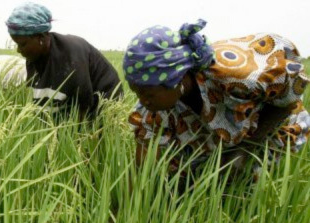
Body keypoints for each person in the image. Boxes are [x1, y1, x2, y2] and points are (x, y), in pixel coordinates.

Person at [124, 19, 310, 179]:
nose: (143, 101)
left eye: (147, 94)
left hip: (271, 126)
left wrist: (245, 150)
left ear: (175, 78)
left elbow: (287, 103)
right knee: (185, 177)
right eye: (137, 93)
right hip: (219, 136)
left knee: (243, 182)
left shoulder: (240, 78)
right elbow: (143, 169)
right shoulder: (150, 111)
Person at [5, 2, 123, 118]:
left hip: (102, 99)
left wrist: (77, 135)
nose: (19, 50)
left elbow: (83, 104)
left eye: (22, 44)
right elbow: (39, 101)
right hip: (74, 103)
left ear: (40, 37)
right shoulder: (33, 57)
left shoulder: (71, 55)